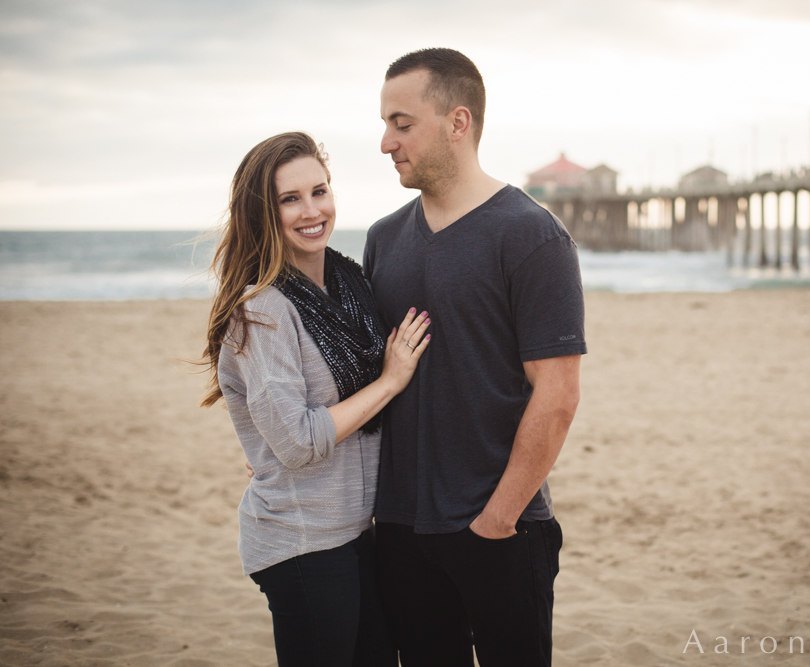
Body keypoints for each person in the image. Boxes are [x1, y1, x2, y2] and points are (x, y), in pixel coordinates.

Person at [365, 49, 586, 666]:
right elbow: (363, 371)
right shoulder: (384, 238)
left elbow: (559, 394)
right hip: (402, 529)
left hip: (501, 528)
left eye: (402, 124)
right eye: (385, 124)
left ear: (458, 123)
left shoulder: (530, 234)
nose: (386, 142)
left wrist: (498, 519)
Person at [199, 131, 428, 667]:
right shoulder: (262, 310)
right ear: (263, 213)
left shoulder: (349, 283)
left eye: (319, 191)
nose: (311, 210)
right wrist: (390, 380)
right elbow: (299, 443)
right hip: (301, 542)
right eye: (289, 199)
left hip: (355, 534)